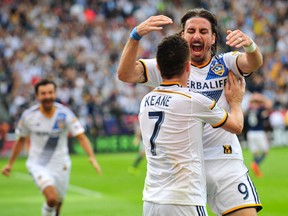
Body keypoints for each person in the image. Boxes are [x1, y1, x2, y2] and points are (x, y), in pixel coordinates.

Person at [118, 8, 263, 216]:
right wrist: (135, 36)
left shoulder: (225, 63)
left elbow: (253, 62)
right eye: (191, 30)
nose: (197, 36)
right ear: (182, 35)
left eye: (203, 32)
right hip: (184, 168)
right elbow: (125, 73)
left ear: (213, 38)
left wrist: (250, 45)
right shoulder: (169, 66)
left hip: (223, 159)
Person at [139, 35, 245, 216]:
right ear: (188, 67)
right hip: (184, 200)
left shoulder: (146, 100)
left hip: (151, 200)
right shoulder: (194, 101)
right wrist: (235, 101)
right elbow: (236, 126)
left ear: (158, 68)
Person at [1, 79, 102, 216]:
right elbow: (20, 141)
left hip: (61, 164)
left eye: (50, 93)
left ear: (55, 94)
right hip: (38, 163)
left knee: (57, 205)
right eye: (43, 93)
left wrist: (91, 157)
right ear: (37, 96)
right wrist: (10, 164)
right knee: (51, 198)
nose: (47, 96)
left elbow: (81, 136)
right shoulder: (28, 116)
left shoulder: (65, 114)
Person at [245, 93, 272, 177]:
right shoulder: (261, 109)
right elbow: (269, 105)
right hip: (259, 132)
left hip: (250, 133)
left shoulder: (248, 110)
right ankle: (255, 163)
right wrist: (262, 98)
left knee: (255, 152)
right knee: (265, 152)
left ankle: (256, 169)